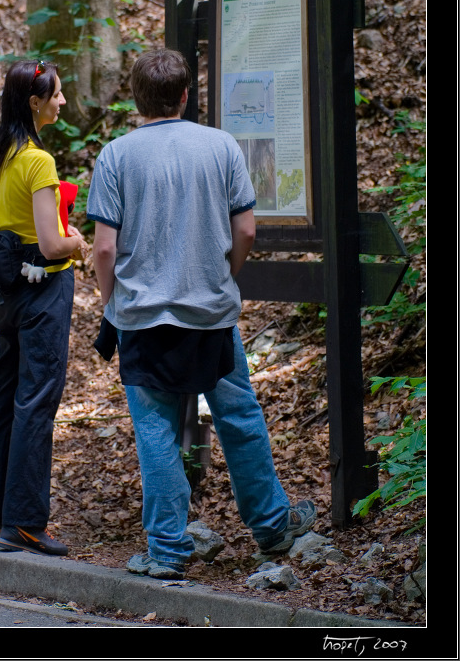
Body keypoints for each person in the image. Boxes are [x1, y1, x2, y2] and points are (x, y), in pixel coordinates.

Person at [87, 48, 316, 579]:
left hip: (144, 319)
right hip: (212, 314)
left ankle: (166, 551)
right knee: (239, 416)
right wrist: (223, 278)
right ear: (186, 95)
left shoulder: (116, 155)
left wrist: (112, 303)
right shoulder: (221, 147)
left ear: (135, 98)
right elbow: (248, 231)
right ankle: (272, 528)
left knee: (156, 429)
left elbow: (103, 249)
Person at [0, 58, 89, 556]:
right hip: (44, 291)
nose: (62, 102)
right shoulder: (38, 161)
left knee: (0, 400)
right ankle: (23, 522)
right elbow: (49, 242)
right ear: (35, 103)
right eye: (56, 94)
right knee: (36, 401)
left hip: (8, 294)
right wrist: (78, 242)